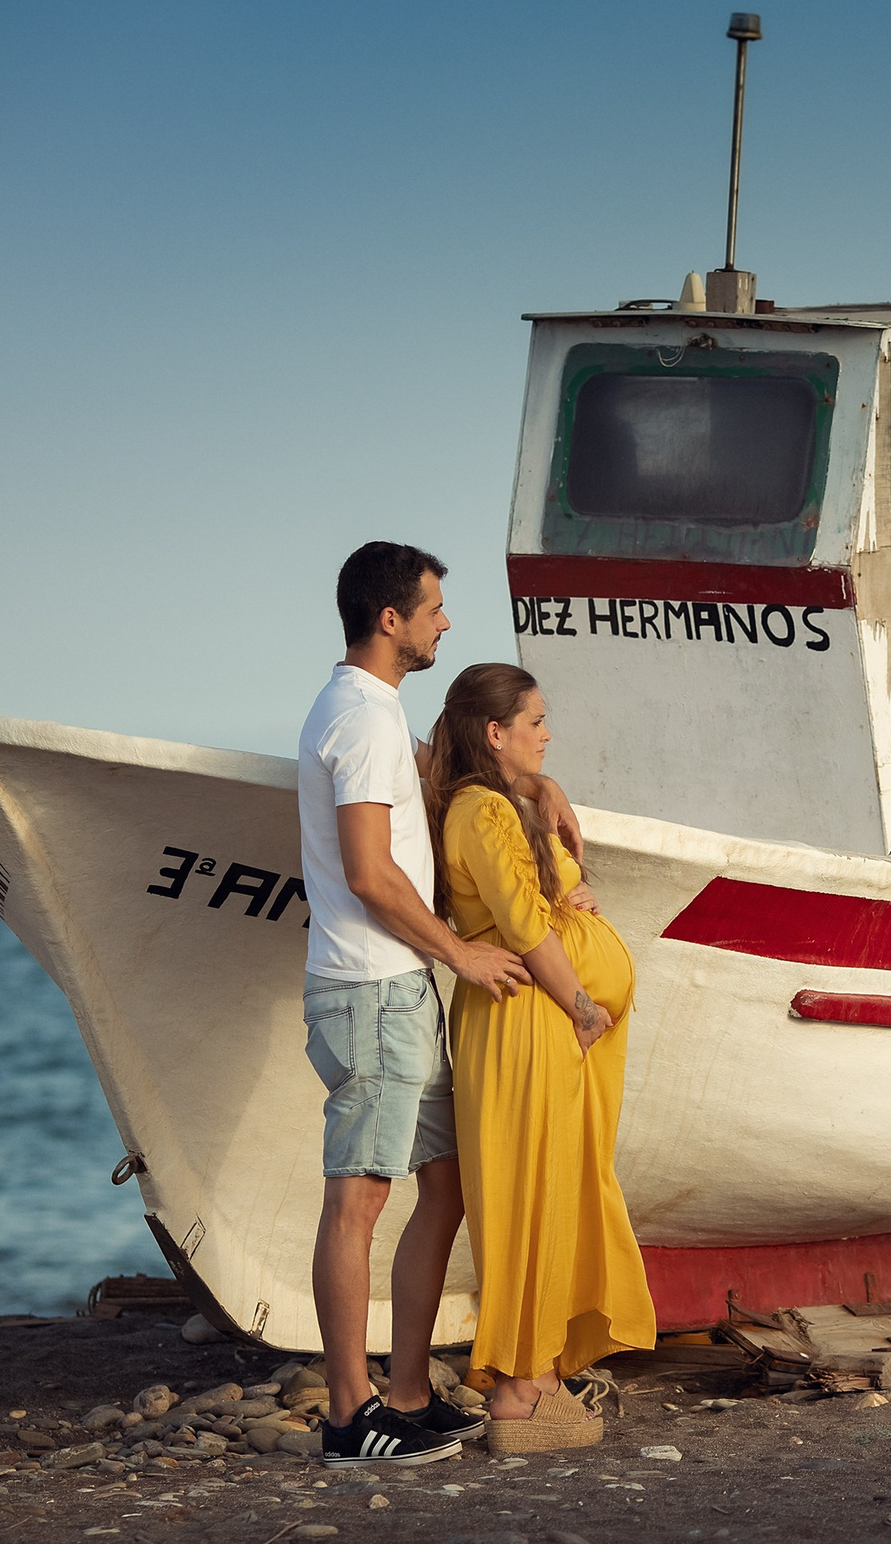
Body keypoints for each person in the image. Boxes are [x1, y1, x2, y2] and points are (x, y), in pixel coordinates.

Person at [295, 543, 581, 1469]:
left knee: (445, 1185)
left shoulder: (377, 710)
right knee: (359, 1199)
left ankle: (409, 1393)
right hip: (372, 989)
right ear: (392, 620)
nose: (445, 621)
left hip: (399, 990)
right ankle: (351, 1416)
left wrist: (536, 783)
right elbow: (369, 871)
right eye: (433, 608)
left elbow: (444, 775)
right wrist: (461, 952)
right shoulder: (359, 718)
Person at [425, 662, 656, 1453]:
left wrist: (571, 894)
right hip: (527, 1017)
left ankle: (541, 1373)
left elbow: (534, 908)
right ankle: (521, 1391)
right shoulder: (484, 811)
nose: (548, 733)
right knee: (528, 1195)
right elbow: (524, 929)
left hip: (535, 1019)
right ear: (496, 732)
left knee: (552, 1191)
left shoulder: (498, 801)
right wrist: (584, 1004)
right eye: (536, 721)